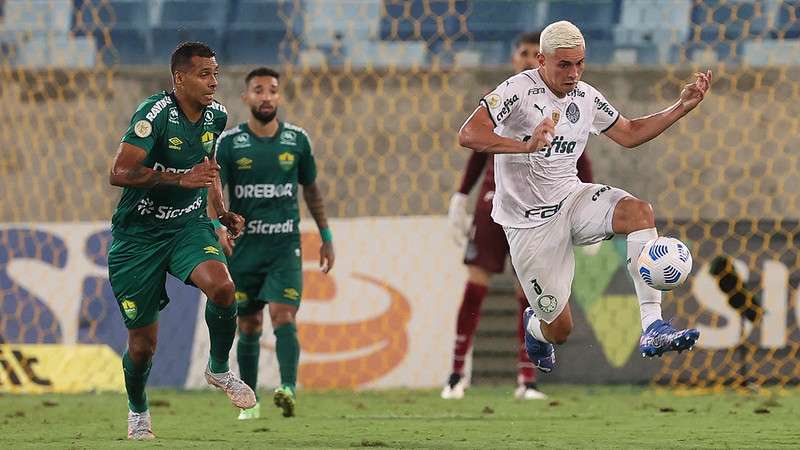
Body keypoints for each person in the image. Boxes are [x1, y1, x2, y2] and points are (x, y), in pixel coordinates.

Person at [457, 21, 710, 374]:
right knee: (559, 330)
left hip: (572, 201)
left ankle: (653, 327)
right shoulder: (516, 91)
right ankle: (535, 327)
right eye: (564, 65)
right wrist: (524, 146)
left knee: (638, 212)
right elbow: (469, 134)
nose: (574, 73)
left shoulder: (585, 97)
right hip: (528, 225)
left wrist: (679, 108)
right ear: (541, 61)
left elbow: (630, 133)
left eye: (579, 63)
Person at [108, 42, 256, 440]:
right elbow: (119, 171)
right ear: (180, 78)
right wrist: (177, 179)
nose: (213, 82)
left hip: (188, 226)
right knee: (143, 346)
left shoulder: (217, 116)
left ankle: (219, 368)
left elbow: (208, 169)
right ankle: (138, 412)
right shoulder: (154, 114)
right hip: (137, 238)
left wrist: (221, 212)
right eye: (204, 74)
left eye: (216, 74)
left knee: (223, 287)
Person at [213, 67, 335, 420]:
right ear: (246, 97)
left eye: (272, 90)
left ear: (279, 97)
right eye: (259, 90)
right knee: (249, 325)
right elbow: (215, 190)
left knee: (283, 316)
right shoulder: (230, 144)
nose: (266, 96)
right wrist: (217, 227)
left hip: (284, 247)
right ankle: (249, 405)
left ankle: (288, 389)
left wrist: (326, 236)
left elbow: (311, 191)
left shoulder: (297, 140)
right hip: (244, 248)